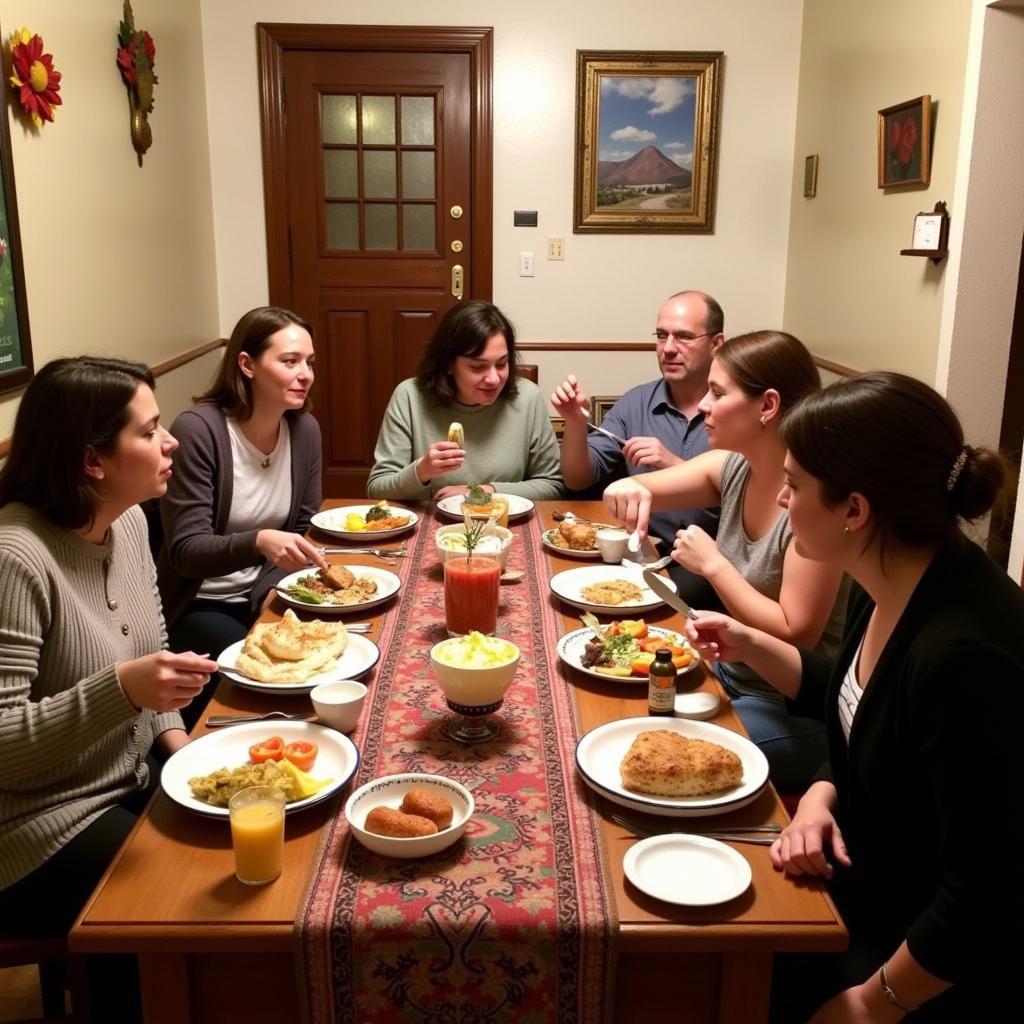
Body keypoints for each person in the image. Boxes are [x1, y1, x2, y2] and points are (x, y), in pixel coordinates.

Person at [686, 372, 1021, 1022]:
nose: (781, 500)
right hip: (866, 886)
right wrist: (820, 791)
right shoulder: (889, 572)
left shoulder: (966, 657)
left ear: (855, 509)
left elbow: (985, 897)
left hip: (930, 964)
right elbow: (849, 704)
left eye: (795, 485)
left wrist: (870, 1005)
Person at [0, 357, 216, 1016]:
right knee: (175, 893)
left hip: (123, 782)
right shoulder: (16, 557)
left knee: (228, 833)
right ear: (93, 461)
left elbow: (149, 655)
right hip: (31, 828)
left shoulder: (126, 523)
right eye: (150, 431)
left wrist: (182, 748)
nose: (170, 440)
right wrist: (120, 690)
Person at [604, 331, 847, 789]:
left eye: (717, 393)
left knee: (657, 760)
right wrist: (627, 488)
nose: (703, 407)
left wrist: (714, 564)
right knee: (623, 712)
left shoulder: (813, 501)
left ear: (767, 406)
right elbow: (641, 488)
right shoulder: (734, 465)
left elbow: (797, 635)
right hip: (724, 672)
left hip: (788, 706)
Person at [158, 306, 326, 729]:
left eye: (309, 362)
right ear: (247, 365)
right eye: (289, 361)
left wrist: (273, 591)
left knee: (329, 656)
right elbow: (185, 551)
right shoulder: (201, 431)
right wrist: (258, 541)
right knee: (273, 679)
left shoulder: (304, 432)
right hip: (201, 602)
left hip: (265, 592)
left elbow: (304, 522)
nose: (305, 373)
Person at [550, 290, 723, 606]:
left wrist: (673, 464)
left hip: (712, 568)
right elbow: (577, 479)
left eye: (683, 337)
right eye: (661, 336)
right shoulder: (635, 403)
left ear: (716, 344)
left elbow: (746, 502)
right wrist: (574, 423)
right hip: (641, 555)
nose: (668, 349)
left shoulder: (732, 412)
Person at [367, 299, 562, 501]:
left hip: (504, 523)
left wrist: (486, 491)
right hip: (434, 525)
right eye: (478, 367)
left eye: (502, 364)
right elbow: (377, 488)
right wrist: (422, 470)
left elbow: (552, 485)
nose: (494, 379)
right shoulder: (410, 396)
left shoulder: (528, 397)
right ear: (449, 364)